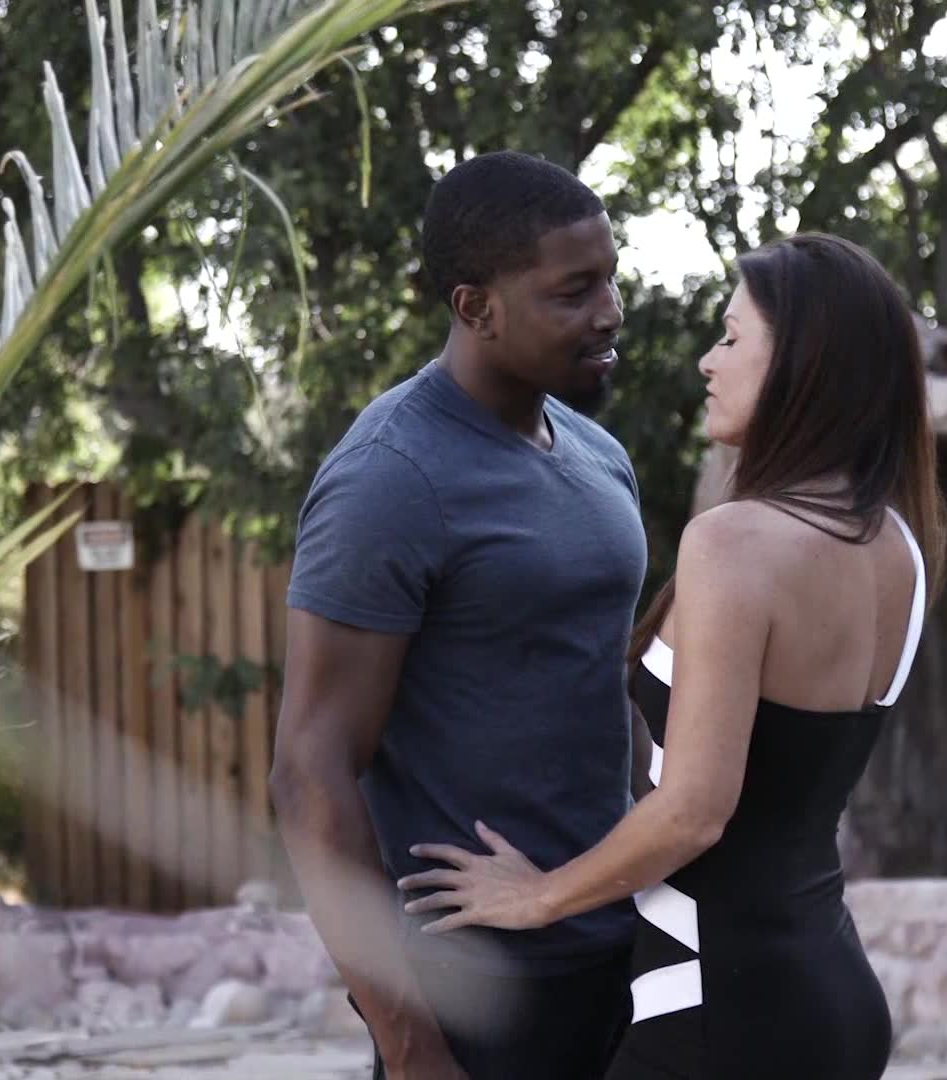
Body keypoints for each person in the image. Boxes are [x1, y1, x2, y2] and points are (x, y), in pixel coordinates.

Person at [399, 233, 947, 1080]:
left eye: (731, 337)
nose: (707, 361)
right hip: (830, 998)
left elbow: (693, 812)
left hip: (717, 1014)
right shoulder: (897, 545)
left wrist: (539, 896)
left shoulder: (735, 542)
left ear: (803, 364)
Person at [272, 151, 643, 1079]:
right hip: (473, 987)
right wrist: (409, 1045)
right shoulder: (391, 476)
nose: (609, 312)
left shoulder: (599, 455)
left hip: (615, 950)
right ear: (476, 307)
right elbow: (309, 773)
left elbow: (603, 685)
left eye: (610, 279)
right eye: (573, 292)